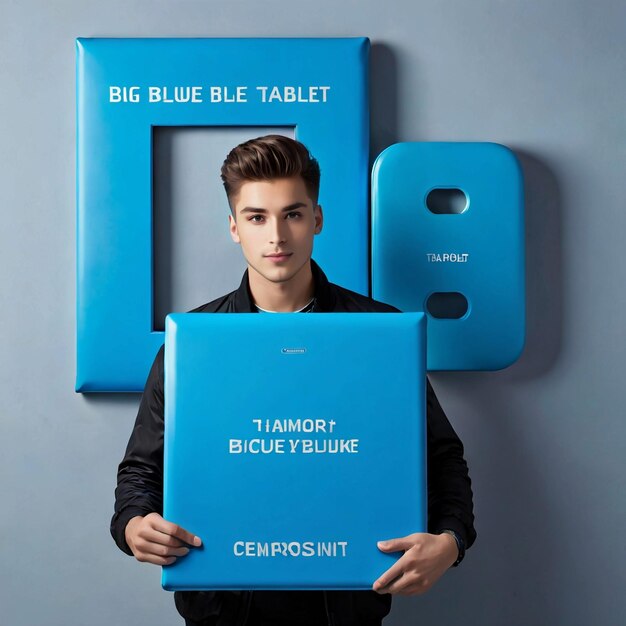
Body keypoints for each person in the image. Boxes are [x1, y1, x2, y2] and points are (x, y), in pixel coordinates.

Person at [111, 135, 476, 626]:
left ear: (317, 219)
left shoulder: (380, 334)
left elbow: (442, 457)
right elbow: (140, 473)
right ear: (234, 227)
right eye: (257, 217)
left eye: (293, 214)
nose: (276, 236)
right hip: (222, 611)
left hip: (345, 608)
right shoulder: (191, 346)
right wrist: (134, 526)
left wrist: (449, 543)